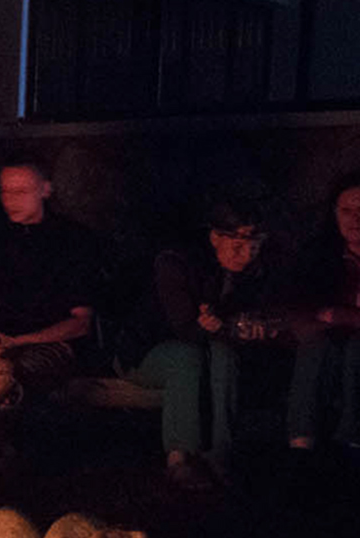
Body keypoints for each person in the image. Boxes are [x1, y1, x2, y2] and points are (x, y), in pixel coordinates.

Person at [117, 197, 285, 487]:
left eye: (253, 247)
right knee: (187, 356)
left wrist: (246, 331)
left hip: (206, 350)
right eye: (237, 246)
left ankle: (220, 455)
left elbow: (245, 322)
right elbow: (185, 330)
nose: (245, 256)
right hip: (146, 352)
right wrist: (226, 329)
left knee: (224, 353)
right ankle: (180, 459)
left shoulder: (254, 272)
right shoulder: (177, 263)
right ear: (215, 237)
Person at [0, 156, 98, 480]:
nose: (11, 200)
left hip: (50, 345)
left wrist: (16, 342)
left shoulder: (72, 241)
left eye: (21, 191)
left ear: (45, 190)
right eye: (5, 192)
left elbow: (81, 322)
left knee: (0, 378)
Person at [287, 171, 360, 465]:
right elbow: (305, 306)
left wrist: (344, 315)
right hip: (327, 339)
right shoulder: (319, 255)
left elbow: (334, 313)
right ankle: (301, 447)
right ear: (334, 214)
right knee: (315, 348)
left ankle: (352, 441)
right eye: (347, 211)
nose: (356, 218)